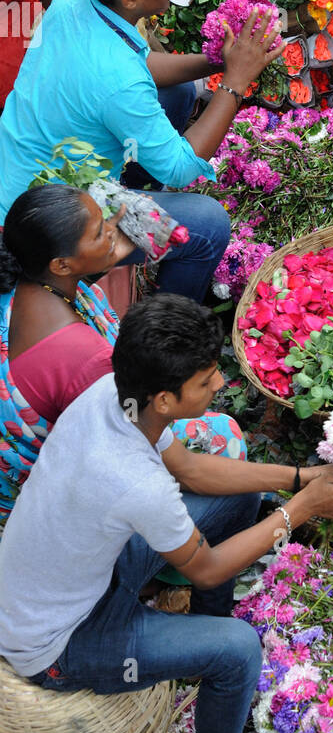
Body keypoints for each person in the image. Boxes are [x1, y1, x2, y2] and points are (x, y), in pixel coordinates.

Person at [0, 295, 333, 733]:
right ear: (165, 401)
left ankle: (200, 648)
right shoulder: (135, 480)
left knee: (243, 500)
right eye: (205, 380)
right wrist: (303, 507)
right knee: (240, 649)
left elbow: (195, 471)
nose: (220, 384)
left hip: (78, 575)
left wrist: (300, 479)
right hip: (59, 641)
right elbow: (210, 570)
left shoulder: (113, 394)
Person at [0, 0, 284, 301]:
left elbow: (139, 66)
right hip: (53, 223)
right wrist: (235, 84)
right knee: (208, 224)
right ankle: (168, 322)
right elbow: (182, 169)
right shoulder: (117, 82)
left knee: (180, 93)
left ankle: (134, 190)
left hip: (26, 165)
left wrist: (217, 61)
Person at [0, 186, 249, 524]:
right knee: (225, 435)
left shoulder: (24, 278)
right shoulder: (88, 361)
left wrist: (110, 247)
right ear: (61, 264)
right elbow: (180, 465)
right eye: (100, 232)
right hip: (46, 500)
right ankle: (158, 564)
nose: (113, 228)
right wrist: (298, 483)